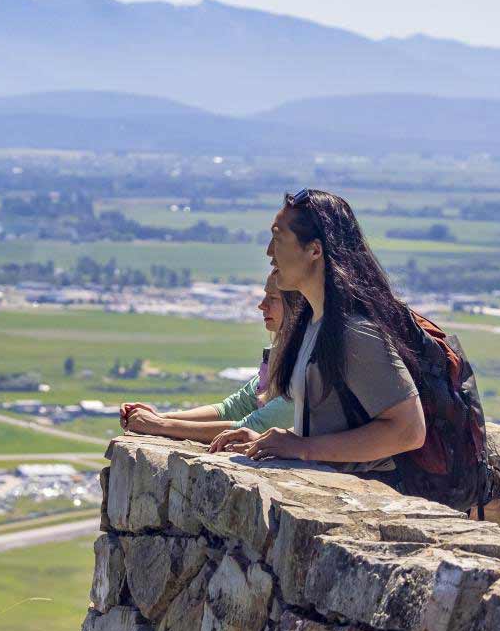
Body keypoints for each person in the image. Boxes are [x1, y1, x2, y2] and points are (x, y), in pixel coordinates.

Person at [209, 189, 427, 472]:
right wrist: (275, 443)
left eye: (278, 238)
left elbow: (409, 430)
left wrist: (301, 449)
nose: (269, 253)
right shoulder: (314, 323)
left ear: (314, 250)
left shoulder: (354, 332)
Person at [120, 272, 299, 444]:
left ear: (297, 306)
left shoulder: (306, 364)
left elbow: (253, 427)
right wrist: (158, 417)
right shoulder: (278, 356)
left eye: (273, 298)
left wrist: (160, 426)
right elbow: (230, 409)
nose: (262, 305)